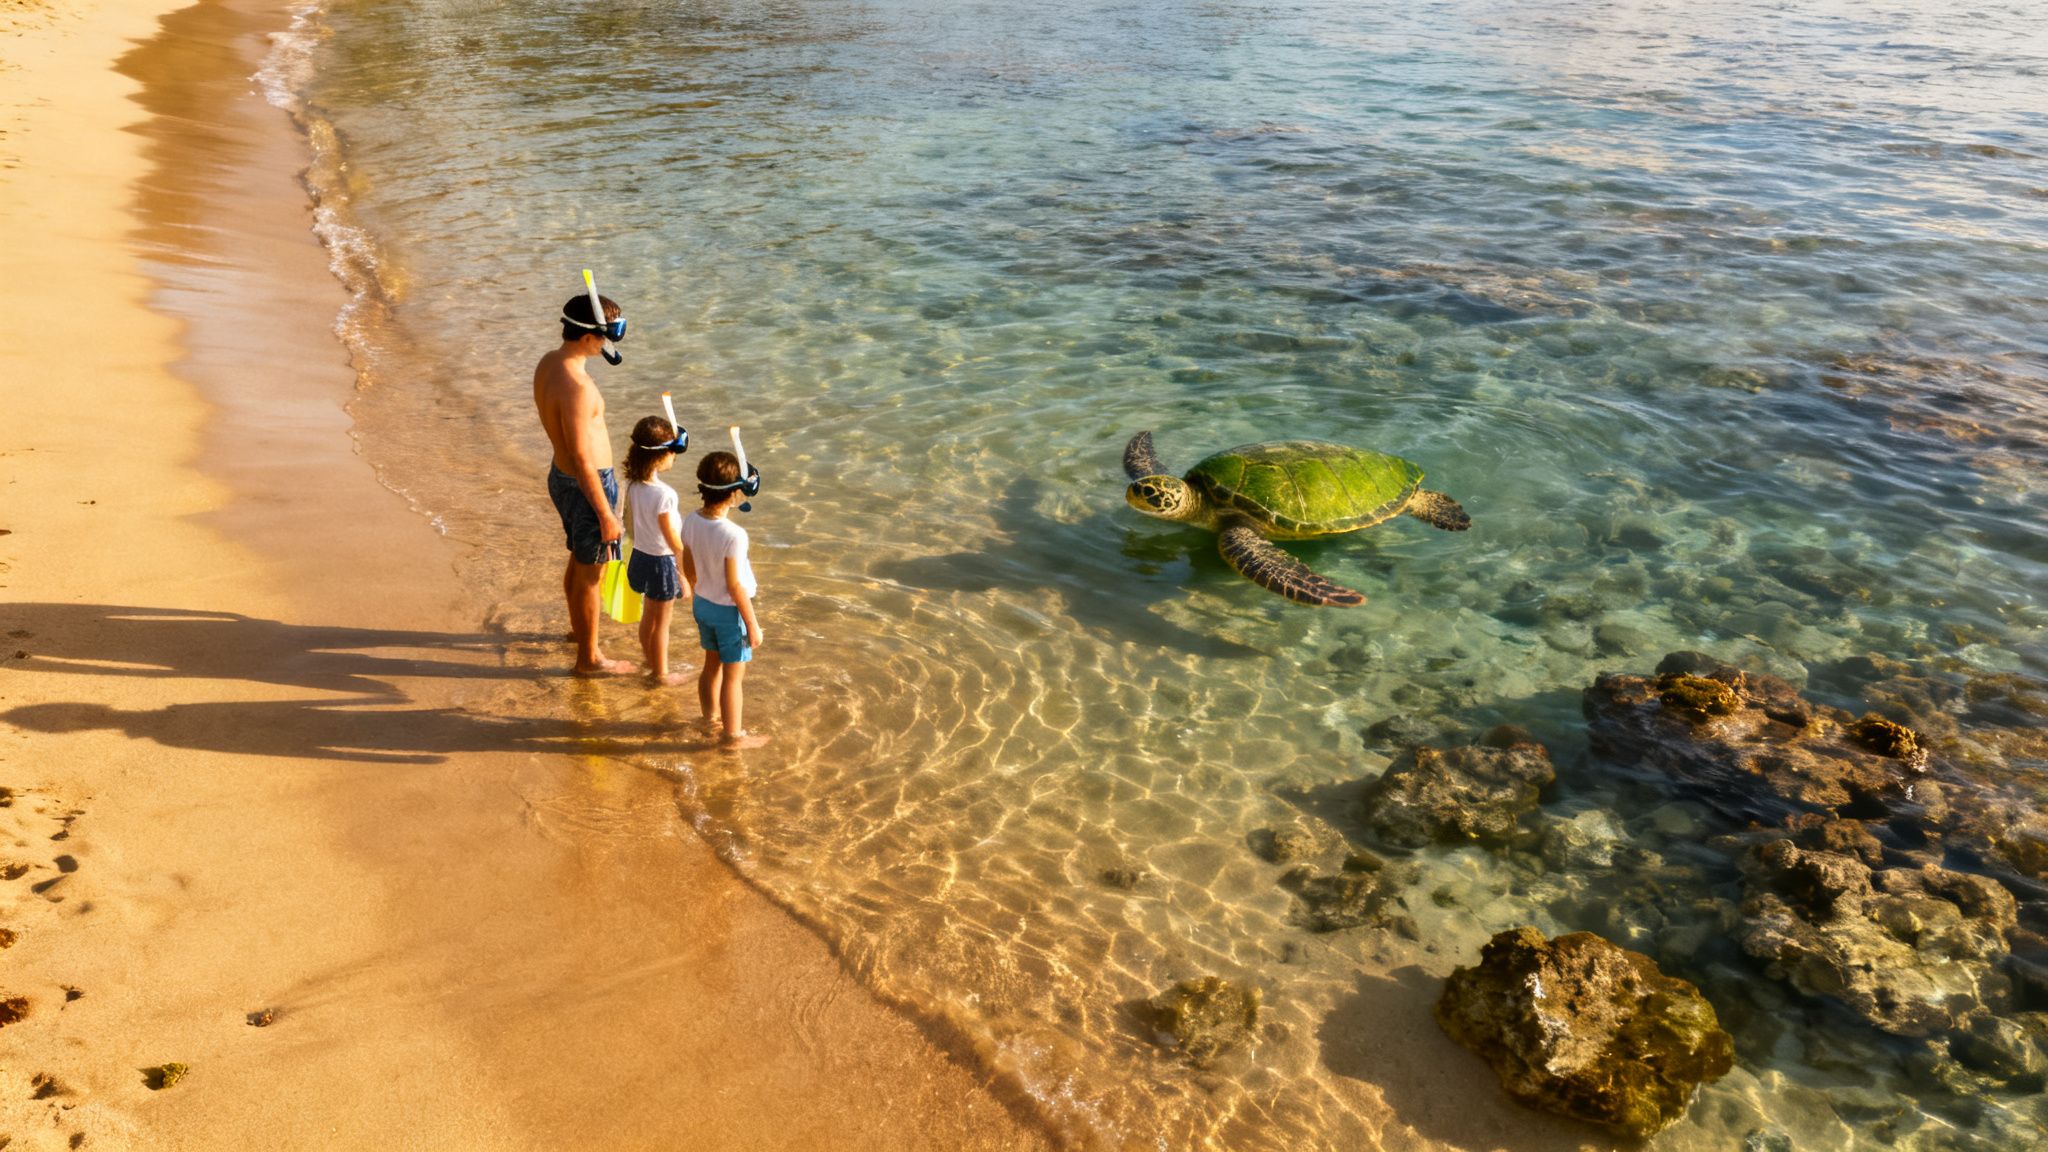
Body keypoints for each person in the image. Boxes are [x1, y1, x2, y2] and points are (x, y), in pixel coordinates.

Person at [534, 285, 633, 675]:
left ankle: (581, 633)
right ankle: (589, 659)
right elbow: (582, 456)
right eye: (604, 337)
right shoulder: (577, 387)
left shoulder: (549, 363)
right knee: (591, 572)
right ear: (589, 336)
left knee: (580, 560)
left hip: (561, 477)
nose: (604, 345)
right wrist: (607, 514)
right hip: (587, 483)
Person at [679, 451, 767, 748]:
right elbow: (735, 585)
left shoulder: (691, 520)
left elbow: (688, 566)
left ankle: (710, 719)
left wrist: (697, 594)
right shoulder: (734, 534)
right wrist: (752, 624)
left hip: (703, 604)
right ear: (735, 493)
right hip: (730, 613)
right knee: (734, 677)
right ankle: (733, 736)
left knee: (711, 665)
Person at [620, 415, 693, 685]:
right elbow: (672, 539)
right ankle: (661, 674)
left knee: (648, 617)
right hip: (662, 563)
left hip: (640, 556)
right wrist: (684, 573)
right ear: (661, 456)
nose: (675, 458)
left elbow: (630, 522)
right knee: (662, 624)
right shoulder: (665, 494)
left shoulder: (633, 485)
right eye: (673, 452)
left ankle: (649, 660)